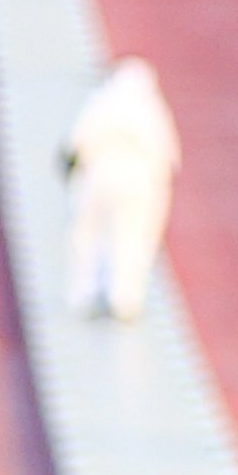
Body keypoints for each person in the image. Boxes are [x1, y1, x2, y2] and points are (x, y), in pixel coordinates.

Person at [60, 56, 183, 323]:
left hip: (97, 178)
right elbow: (170, 157)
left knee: (87, 236)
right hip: (140, 183)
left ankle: (84, 294)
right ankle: (125, 300)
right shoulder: (152, 111)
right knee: (133, 238)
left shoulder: (101, 103)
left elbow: (74, 147)